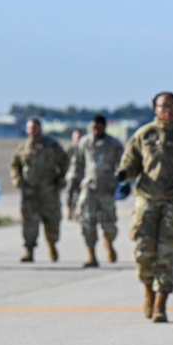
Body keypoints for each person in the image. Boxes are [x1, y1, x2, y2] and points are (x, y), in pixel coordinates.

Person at [116, 92, 173, 322]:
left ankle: (160, 302)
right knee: (143, 253)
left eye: (172, 106)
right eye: (163, 106)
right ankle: (148, 289)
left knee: (166, 255)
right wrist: (123, 176)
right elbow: (131, 163)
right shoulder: (144, 135)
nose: (167, 110)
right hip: (147, 199)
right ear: (155, 109)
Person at [67, 114, 123, 268]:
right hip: (89, 188)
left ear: (105, 127)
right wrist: (72, 182)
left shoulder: (114, 144)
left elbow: (123, 166)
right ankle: (91, 256)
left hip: (107, 189)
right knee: (86, 223)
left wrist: (121, 183)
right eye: (93, 127)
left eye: (98, 127)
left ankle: (109, 243)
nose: (95, 130)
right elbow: (77, 164)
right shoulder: (85, 142)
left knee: (109, 225)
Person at [10, 117, 69, 262]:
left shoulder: (52, 145)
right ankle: (29, 251)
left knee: (52, 222)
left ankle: (52, 245)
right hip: (29, 193)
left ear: (40, 129)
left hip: (49, 191)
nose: (32, 131)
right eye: (30, 128)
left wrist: (61, 181)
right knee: (29, 223)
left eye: (35, 128)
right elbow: (14, 165)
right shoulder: (22, 148)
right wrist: (17, 180)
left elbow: (65, 163)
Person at [66, 129, 83, 220]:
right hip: (71, 175)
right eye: (76, 137)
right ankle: (70, 209)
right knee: (69, 194)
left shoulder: (84, 148)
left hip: (82, 176)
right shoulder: (69, 148)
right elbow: (63, 160)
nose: (77, 139)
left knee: (80, 196)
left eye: (79, 137)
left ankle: (78, 212)